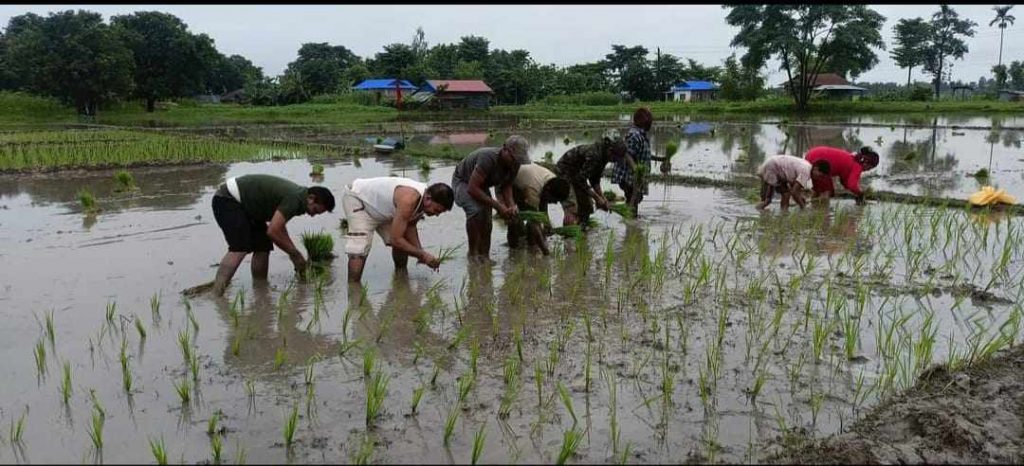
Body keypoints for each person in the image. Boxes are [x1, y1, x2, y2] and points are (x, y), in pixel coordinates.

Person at [211, 174, 335, 296]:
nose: (313, 215)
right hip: (228, 199)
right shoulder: (295, 199)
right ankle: (217, 293)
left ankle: (260, 291)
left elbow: (279, 226)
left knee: (263, 247)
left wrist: (293, 253)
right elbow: (273, 231)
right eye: (315, 210)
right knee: (239, 248)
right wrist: (295, 255)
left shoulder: (300, 199)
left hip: (250, 208)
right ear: (311, 198)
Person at [341, 176, 455, 282]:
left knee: (403, 238)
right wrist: (423, 255)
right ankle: (354, 290)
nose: (436, 215)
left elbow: (410, 226)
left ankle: (401, 279)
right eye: (437, 210)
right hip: (359, 200)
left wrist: (421, 252)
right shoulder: (409, 200)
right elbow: (396, 240)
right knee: (359, 248)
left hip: (382, 209)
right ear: (428, 198)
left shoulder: (423, 201)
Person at [452, 135, 531, 259]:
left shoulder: (515, 164)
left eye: (518, 159)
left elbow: (506, 186)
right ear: (504, 149)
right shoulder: (488, 158)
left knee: (487, 220)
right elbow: (472, 189)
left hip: (481, 185)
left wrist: (511, 206)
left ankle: (484, 256)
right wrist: (499, 206)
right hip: (464, 181)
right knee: (476, 210)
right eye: (513, 158)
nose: (515, 162)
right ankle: (473, 254)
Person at [556, 130, 632, 228]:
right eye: (615, 157)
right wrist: (597, 198)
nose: (614, 160)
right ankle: (569, 237)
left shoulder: (604, 157)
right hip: (564, 174)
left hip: (577, 176)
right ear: (609, 150)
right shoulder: (594, 155)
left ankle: (582, 233)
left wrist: (602, 198)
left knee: (587, 206)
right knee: (572, 207)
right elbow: (580, 180)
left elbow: (594, 179)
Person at [611, 107, 667, 217]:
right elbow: (627, 154)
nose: (652, 123)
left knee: (635, 199)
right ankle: (631, 225)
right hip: (630, 177)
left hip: (636, 177)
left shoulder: (641, 135)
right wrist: (636, 169)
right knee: (633, 199)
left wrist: (662, 159)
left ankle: (630, 221)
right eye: (650, 120)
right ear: (645, 121)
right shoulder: (634, 135)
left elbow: (643, 155)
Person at [507, 163, 572, 255]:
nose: (554, 203)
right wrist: (545, 251)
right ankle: (513, 253)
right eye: (554, 199)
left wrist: (547, 225)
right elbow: (534, 221)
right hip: (508, 185)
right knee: (514, 221)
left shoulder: (553, 181)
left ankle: (531, 248)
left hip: (524, 184)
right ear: (548, 190)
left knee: (534, 231)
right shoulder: (533, 189)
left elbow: (542, 207)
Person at [804, 146, 880, 205]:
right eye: (870, 168)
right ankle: (822, 217)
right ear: (866, 163)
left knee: (818, 191)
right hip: (819, 161)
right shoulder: (857, 166)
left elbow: (844, 182)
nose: (868, 170)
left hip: (812, 154)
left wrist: (856, 191)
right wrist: (860, 194)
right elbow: (852, 185)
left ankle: (813, 208)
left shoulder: (850, 158)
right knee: (827, 192)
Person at [755, 155, 831, 211]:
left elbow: (795, 188)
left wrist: (800, 198)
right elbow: (794, 192)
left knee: (785, 194)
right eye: (820, 176)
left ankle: (783, 213)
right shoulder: (806, 172)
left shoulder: (807, 168)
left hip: (775, 165)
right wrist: (803, 207)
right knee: (768, 200)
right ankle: (759, 211)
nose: (819, 178)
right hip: (774, 167)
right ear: (816, 169)